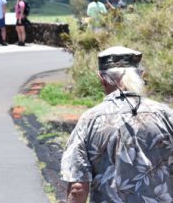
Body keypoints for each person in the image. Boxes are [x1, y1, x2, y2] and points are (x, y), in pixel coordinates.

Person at [60, 46, 172, 203]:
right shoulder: (165, 114)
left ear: (102, 79)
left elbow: (78, 188)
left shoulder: (90, 120)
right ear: (141, 75)